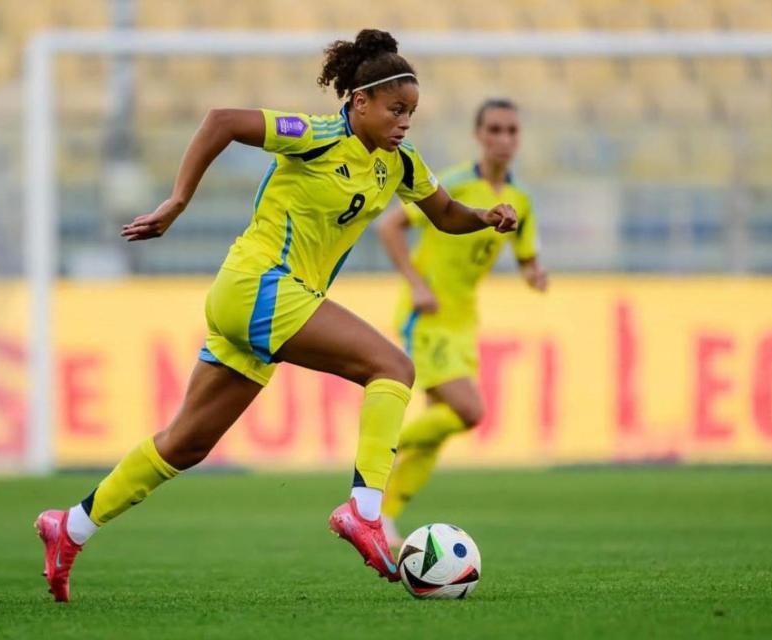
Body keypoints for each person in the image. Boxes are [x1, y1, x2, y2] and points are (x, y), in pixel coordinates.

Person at [34, 30, 518, 602]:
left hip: (269, 305)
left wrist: (487, 215)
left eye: (411, 112)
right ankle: (365, 509)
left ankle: (71, 526)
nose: (405, 122)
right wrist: (178, 201)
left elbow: (444, 213)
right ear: (359, 102)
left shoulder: (400, 164)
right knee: (392, 367)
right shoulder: (313, 135)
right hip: (257, 285)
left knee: (186, 444)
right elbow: (221, 121)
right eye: (395, 109)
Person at [377, 98, 547, 546]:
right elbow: (389, 226)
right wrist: (416, 283)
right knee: (468, 411)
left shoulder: (521, 200)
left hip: (464, 323)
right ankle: (373, 458)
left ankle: (385, 514)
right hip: (428, 317)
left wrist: (535, 274)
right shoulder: (452, 185)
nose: (504, 139)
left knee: (441, 425)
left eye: (512, 130)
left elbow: (527, 256)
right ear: (478, 135)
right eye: (495, 130)